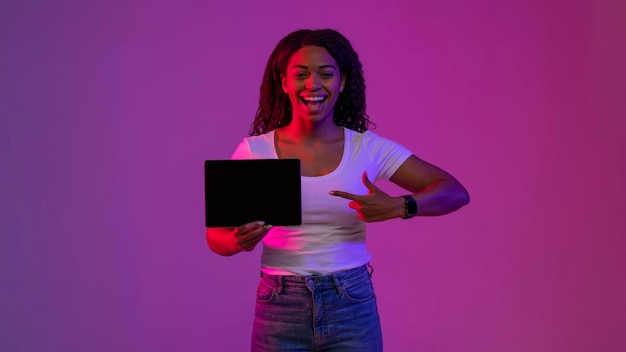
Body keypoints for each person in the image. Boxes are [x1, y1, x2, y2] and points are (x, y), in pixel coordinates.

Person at [206, 28, 470, 351]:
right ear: (284, 82)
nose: (313, 85)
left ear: (342, 81)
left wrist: (400, 206)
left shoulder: (366, 149)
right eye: (300, 74)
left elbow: (454, 191)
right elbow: (215, 236)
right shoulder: (254, 152)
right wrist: (236, 240)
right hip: (279, 306)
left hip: (351, 303)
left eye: (325, 74)